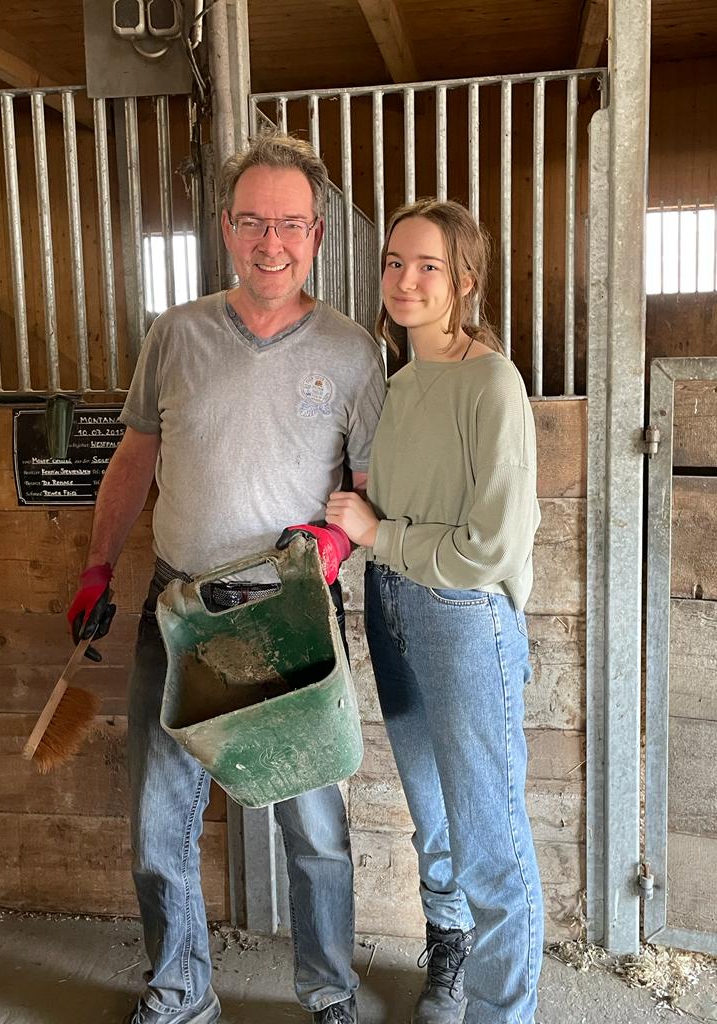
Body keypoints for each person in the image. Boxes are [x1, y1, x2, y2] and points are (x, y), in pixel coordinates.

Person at [66, 130, 385, 1024]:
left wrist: (335, 547)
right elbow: (135, 458)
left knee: (314, 825)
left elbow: (368, 487)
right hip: (180, 609)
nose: (270, 243)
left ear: (317, 233)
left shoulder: (355, 353)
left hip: (291, 614)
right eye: (252, 222)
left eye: (289, 224)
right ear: (225, 228)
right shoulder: (176, 335)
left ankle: (329, 990)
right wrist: (97, 564)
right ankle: (180, 992)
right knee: (159, 821)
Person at [326, 198, 543, 1024]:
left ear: (465, 281)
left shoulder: (492, 383)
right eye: (394, 263)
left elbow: (494, 545)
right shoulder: (401, 383)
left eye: (428, 266)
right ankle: (451, 957)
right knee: (436, 818)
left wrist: (380, 533)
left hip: (461, 618)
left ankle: (501, 1013)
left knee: (491, 840)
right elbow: (391, 505)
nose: (405, 280)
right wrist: (355, 527)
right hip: (392, 605)